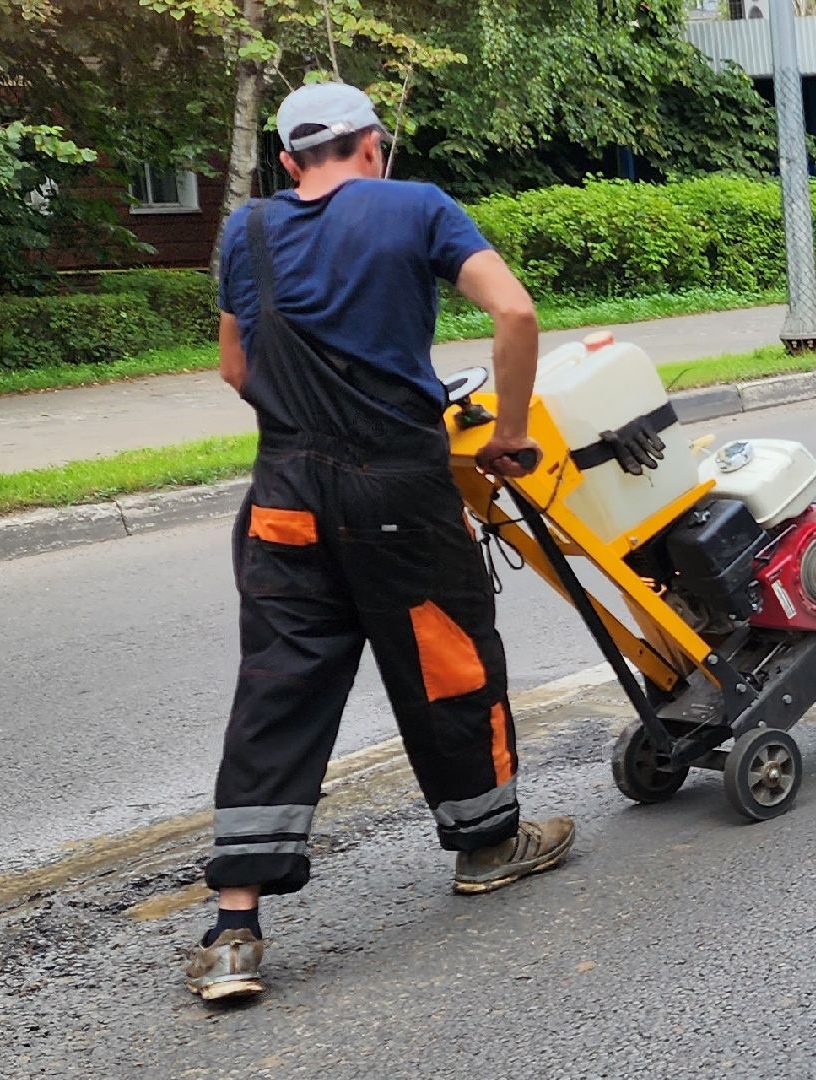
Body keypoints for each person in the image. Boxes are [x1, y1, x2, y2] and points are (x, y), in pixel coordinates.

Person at [185, 81, 575, 1002]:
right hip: (398, 486)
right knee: (447, 664)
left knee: (278, 688)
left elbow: (234, 365)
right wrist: (510, 433)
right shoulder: (418, 206)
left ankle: (234, 931)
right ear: (374, 146)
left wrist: (302, 427)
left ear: (288, 161)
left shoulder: (245, 232)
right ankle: (486, 844)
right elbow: (514, 314)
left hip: (284, 498)